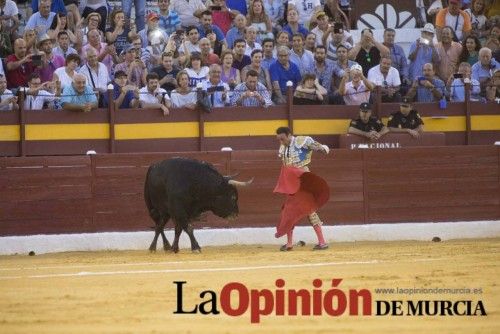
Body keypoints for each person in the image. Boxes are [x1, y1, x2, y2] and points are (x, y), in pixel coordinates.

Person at [274, 126, 330, 251]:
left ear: (289, 135)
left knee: (309, 211)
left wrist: (321, 148)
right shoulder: (283, 147)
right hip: (290, 182)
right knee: (289, 211)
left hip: (303, 181)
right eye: (279, 140)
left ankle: (322, 242)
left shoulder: (302, 141)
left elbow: (319, 147)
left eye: (283, 139)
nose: (281, 142)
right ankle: (289, 244)